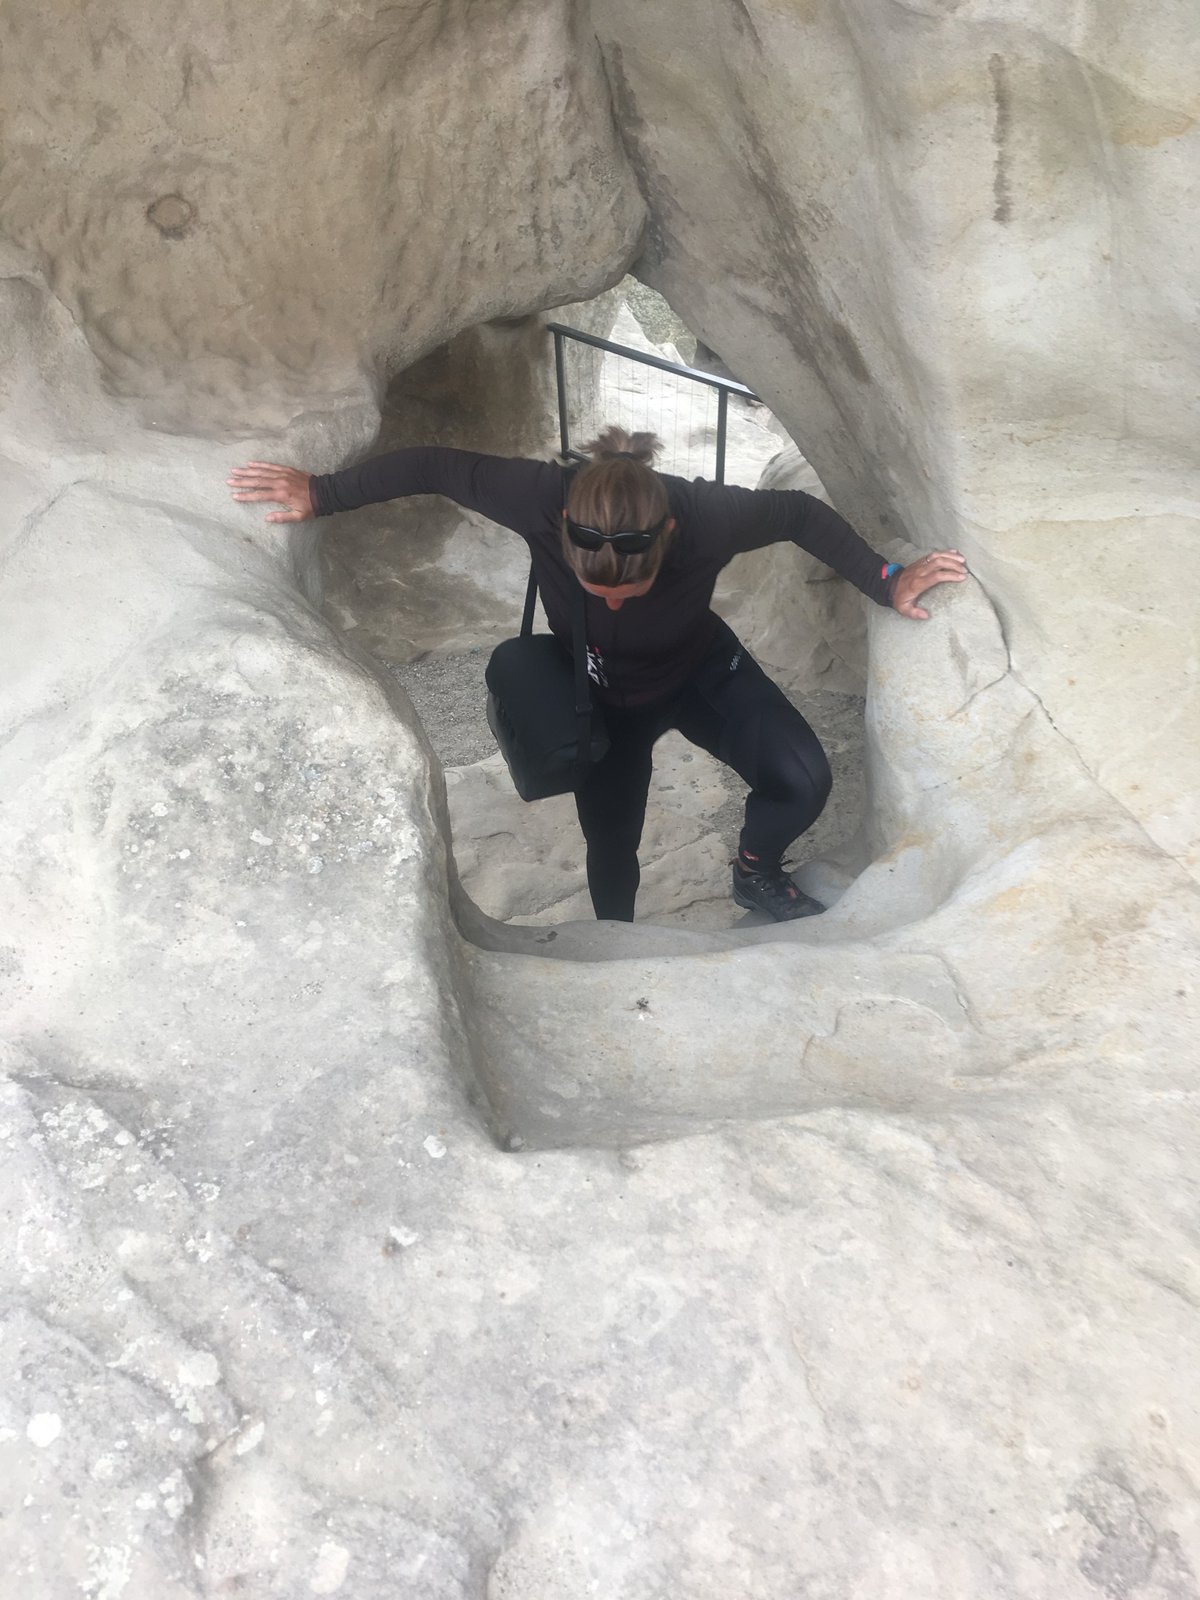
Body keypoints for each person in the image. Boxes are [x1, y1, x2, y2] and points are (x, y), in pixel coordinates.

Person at [229, 429, 967, 923]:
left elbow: (801, 514)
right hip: (602, 697)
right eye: (596, 590)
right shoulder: (536, 497)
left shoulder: (706, 516)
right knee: (612, 850)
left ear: (668, 536)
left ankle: (754, 869)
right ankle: (619, 944)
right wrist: (321, 492)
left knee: (804, 780)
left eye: (628, 590)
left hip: (699, 669)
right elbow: (433, 467)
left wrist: (886, 580)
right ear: (563, 532)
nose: (611, 601)